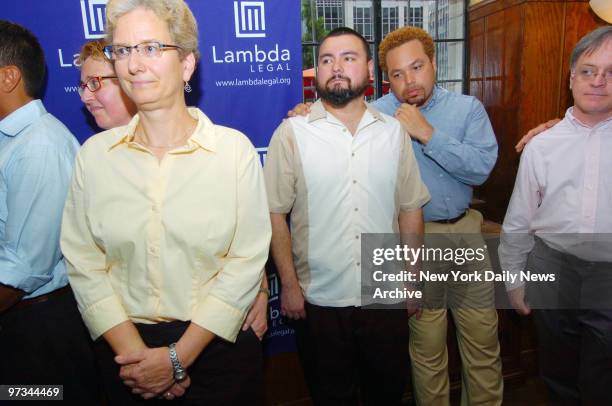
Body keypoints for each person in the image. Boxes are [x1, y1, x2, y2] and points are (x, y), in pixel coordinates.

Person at [60, 0, 271, 403]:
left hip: (218, 349)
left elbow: (246, 259)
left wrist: (177, 359)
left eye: (151, 48)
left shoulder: (233, 151)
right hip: (125, 353)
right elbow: (83, 261)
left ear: (187, 64)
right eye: (122, 50)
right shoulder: (94, 156)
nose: (133, 64)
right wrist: (140, 359)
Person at [290, 26, 502, 405]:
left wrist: (428, 134)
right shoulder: (375, 115)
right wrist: (307, 111)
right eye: (398, 73)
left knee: (483, 342)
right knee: (426, 350)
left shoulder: (466, 109)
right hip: (409, 242)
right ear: (382, 76)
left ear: (434, 63)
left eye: (417, 67)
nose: (409, 80)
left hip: (466, 233)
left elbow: (481, 168)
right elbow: (333, 118)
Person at [266, 27, 430, 405]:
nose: (336, 67)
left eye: (348, 58)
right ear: (317, 71)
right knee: (330, 396)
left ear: (369, 70)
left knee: (386, 394)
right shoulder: (292, 133)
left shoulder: (393, 133)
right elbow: (275, 214)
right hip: (319, 301)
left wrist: (413, 279)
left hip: (384, 299)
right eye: (326, 60)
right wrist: (289, 286)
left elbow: (409, 209)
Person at [76, 39, 270, 339]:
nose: (86, 96)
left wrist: (257, 285)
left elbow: (245, 246)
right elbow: (85, 260)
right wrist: (135, 353)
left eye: (96, 83)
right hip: (126, 344)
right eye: (84, 84)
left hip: (220, 342)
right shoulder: (91, 157)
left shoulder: (225, 150)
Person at [499, 26, 612, 404]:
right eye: (588, 70)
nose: (598, 80)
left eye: (611, 72)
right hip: (551, 269)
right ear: (571, 78)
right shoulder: (542, 146)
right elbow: (518, 221)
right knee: (557, 377)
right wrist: (514, 281)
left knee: (602, 383)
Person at [0, 20, 102, 401]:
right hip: (21, 322)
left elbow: (24, 267)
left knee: (41, 397)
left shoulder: (38, 145)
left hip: (37, 330)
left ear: (9, 76)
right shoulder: (13, 142)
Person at [78, 39, 136, 129]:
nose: (84, 98)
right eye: (84, 86)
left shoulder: (164, 140)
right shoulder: (97, 143)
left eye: (94, 83)